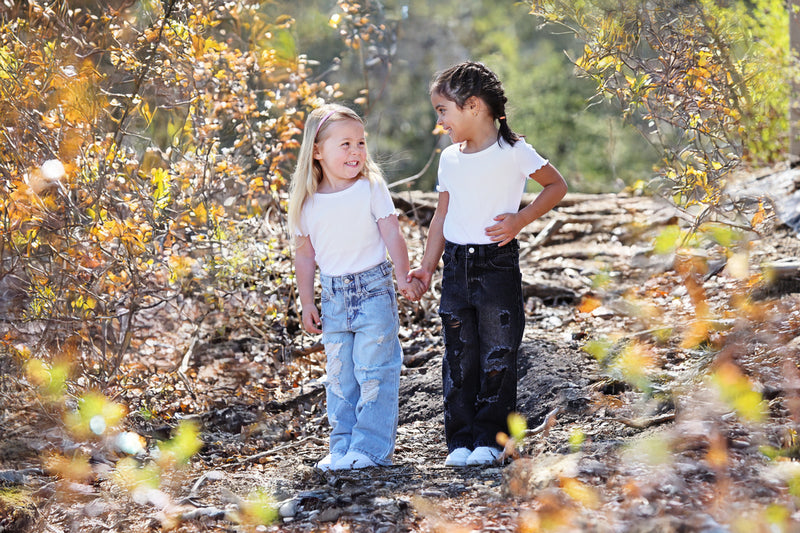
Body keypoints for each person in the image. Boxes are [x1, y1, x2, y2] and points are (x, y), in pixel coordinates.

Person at [408, 61, 568, 467]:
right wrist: (427, 267)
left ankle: (490, 440)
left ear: (473, 106)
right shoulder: (449, 160)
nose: (439, 121)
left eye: (443, 110)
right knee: (459, 355)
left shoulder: (513, 152)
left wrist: (519, 220)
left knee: (498, 353)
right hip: (456, 266)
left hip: (496, 266)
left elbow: (556, 185)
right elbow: (441, 217)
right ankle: (459, 442)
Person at [288, 103, 423, 470]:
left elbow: (391, 231)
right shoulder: (307, 203)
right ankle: (342, 447)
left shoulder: (370, 188)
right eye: (344, 144)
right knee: (340, 377)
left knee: (375, 370)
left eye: (361, 143)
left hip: (374, 290)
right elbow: (304, 256)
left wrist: (402, 275)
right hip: (332, 296)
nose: (356, 152)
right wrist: (307, 302)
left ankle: (371, 448)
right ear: (317, 152)